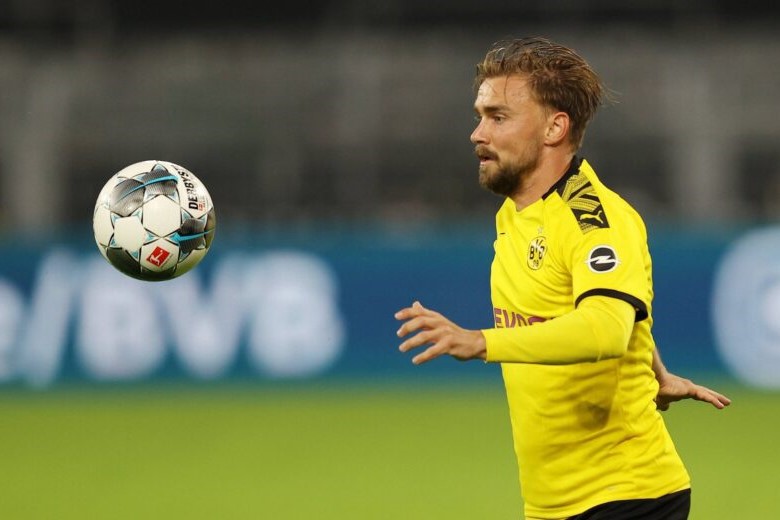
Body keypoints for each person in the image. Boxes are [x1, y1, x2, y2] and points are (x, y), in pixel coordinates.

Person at [394, 36, 731, 520]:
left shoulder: (594, 221)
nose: (477, 133)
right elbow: (611, 304)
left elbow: (605, 328)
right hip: (554, 504)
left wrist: (482, 342)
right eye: (480, 116)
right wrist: (655, 372)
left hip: (625, 496)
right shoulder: (516, 210)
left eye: (498, 117)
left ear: (554, 127)